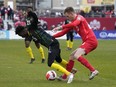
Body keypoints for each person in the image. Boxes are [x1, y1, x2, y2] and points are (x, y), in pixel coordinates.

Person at [53, 7, 99, 80]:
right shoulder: (73, 23)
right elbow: (63, 32)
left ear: (71, 14)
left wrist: (61, 26)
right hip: (87, 41)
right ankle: (65, 76)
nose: (67, 18)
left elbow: (74, 24)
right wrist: (52, 37)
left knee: (77, 55)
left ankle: (93, 70)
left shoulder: (79, 18)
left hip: (90, 40)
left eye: (67, 16)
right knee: (72, 56)